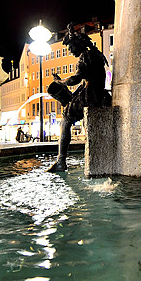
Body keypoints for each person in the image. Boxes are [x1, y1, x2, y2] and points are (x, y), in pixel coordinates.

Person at [47, 24, 111, 172]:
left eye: (70, 48)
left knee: (65, 120)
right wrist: (73, 96)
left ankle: (61, 161)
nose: (69, 51)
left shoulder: (85, 57)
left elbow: (76, 79)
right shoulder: (93, 54)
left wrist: (60, 82)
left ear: (77, 44)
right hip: (100, 94)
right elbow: (85, 82)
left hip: (91, 96)